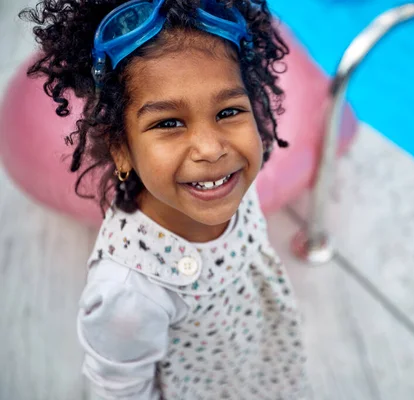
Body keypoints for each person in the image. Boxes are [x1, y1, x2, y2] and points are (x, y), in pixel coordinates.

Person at [20, 0, 307, 398]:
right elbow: (122, 391)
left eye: (228, 112)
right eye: (169, 123)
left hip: (257, 367)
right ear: (121, 148)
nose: (210, 149)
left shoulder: (234, 182)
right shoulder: (129, 293)